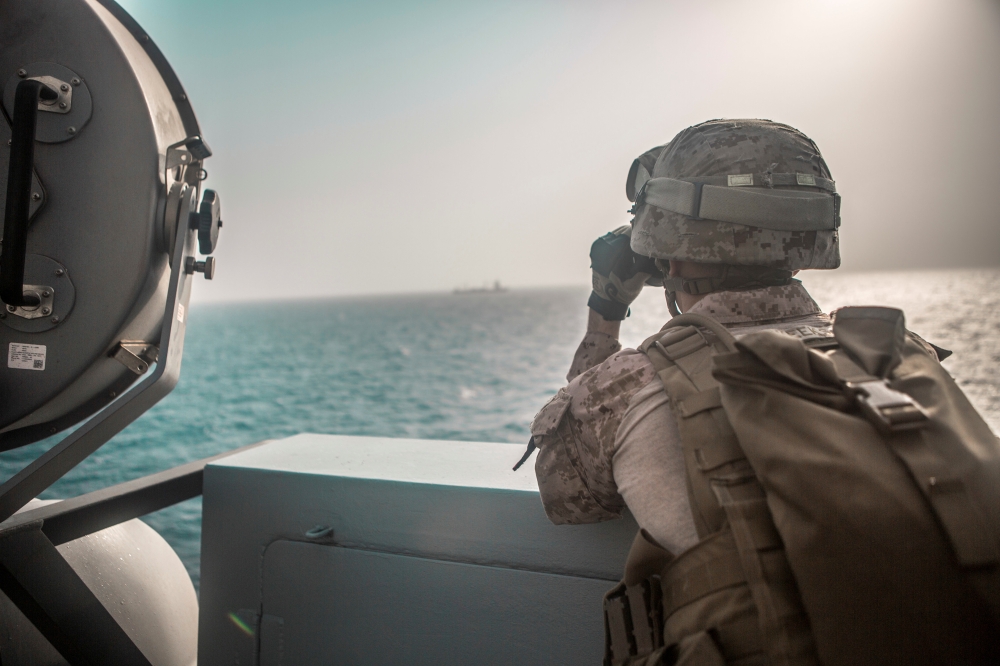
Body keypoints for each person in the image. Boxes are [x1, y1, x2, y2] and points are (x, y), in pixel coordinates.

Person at [525, 119, 978, 664]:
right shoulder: (900, 351)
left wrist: (605, 315)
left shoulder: (628, 385)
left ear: (664, 250)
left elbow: (566, 496)